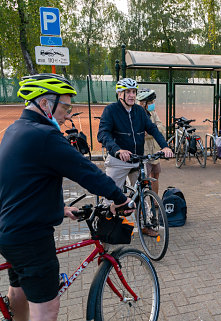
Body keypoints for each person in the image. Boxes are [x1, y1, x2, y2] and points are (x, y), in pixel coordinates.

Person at [0, 74, 132, 321]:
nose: (68, 113)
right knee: (47, 308)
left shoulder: (16, 129)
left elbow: (21, 181)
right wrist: (119, 198)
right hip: (31, 237)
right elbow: (85, 171)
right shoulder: (45, 136)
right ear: (45, 104)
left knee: (19, 289)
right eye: (65, 106)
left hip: (9, 231)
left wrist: (57, 207)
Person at [97, 78, 174, 236]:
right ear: (120, 94)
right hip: (118, 160)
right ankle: (106, 230)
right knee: (110, 196)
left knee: (143, 193)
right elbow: (103, 134)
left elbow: (152, 129)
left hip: (137, 159)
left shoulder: (139, 111)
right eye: (128, 92)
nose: (132, 95)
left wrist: (165, 146)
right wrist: (117, 150)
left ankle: (145, 225)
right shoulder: (111, 110)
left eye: (134, 92)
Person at [136, 88, 166, 196]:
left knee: (155, 176)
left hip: (155, 152)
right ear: (143, 103)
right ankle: (143, 207)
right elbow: (140, 133)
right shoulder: (136, 114)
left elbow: (161, 127)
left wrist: (150, 132)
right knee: (143, 180)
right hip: (144, 153)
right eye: (151, 102)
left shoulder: (153, 112)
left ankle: (155, 200)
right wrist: (152, 132)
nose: (153, 104)